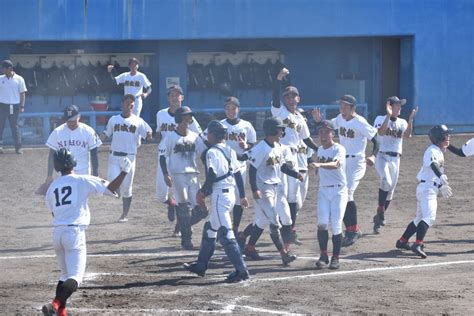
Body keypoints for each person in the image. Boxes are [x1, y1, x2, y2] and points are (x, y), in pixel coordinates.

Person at [42, 148, 131, 316]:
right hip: (74, 234)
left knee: (64, 275)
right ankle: (54, 304)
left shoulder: (52, 187)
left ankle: (61, 312)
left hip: (57, 234)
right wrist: (125, 172)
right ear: (72, 162)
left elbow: (53, 212)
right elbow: (111, 188)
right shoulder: (82, 180)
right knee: (75, 278)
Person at [183, 120, 250, 283]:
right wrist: (242, 195)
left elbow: (212, 174)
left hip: (220, 195)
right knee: (210, 228)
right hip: (230, 194)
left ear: (212, 135)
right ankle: (201, 265)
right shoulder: (230, 150)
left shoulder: (211, 152)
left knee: (225, 234)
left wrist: (203, 192)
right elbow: (237, 175)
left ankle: (242, 270)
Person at [313, 95, 378, 247]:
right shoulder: (339, 119)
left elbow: (377, 139)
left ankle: (353, 230)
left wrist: (373, 156)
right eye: (341, 105)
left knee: (347, 192)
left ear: (352, 107)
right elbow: (328, 126)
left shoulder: (360, 122)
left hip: (356, 162)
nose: (342, 108)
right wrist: (318, 121)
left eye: (345, 105)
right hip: (341, 160)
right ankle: (351, 229)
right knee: (342, 193)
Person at [243, 117, 304, 265]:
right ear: (272, 130)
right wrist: (255, 189)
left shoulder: (277, 146)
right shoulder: (260, 148)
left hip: (277, 188)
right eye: (280, 129)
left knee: (283, 220)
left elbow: (282, 167)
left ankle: (250, 247)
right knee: (274, 222)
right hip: (264, 190)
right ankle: (284, 254)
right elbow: (252, 170)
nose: (282, 131)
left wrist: (295, 174)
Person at [271, 67, 319, 245]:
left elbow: (306, 140)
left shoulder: (299, 117)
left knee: (298, 200)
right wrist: (278, 78)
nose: (291, 99)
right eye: (288, 97)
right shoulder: (279, 112)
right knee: (289, 197)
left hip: (301, 160)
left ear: (298, 99)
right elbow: (275, 96)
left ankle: (287, 228)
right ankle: (289, 232)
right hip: (286, 159)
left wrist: (320, 151)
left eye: (293, 96)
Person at [396, 125, 453, 259]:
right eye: (446, 135)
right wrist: (440, 177)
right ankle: (418, 244)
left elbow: (431, 172)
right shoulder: (432, 150)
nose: (449, 137)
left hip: (427, 187)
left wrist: (440, 186)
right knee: (429, 217)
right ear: (439, 137)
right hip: (427, 189)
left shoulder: (438, 151)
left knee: (419, 219)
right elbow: (433, 165)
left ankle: (403, 241)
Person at [155, 85, 202, 235]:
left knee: (186, 197)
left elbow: (199, 135)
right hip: (165, 156)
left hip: (182, 159)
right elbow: (159, 133)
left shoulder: (189, 116)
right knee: (161, 195)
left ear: (182, 97)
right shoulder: (161, 114)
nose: (175, 98)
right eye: (172, 95)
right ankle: (171, 203)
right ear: (168, 97)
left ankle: (182, 225)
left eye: (177, 95)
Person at [159, 106, 207, 250]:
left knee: (201, 210)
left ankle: (182, 225)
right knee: (184, 207)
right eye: (186, 116)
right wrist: (165, 174)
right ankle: (187, 240)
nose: (189, 119)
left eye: (190, 117)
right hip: (177, 174)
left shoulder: (194, 136)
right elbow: (162, 157)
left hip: (193, 174)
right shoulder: (170, 137)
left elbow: (204, 154)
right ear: (179, 119)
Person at [207, 96, 256, 236]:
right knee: (224, 198)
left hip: (240, 165)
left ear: (238, 109)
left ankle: (234, 228)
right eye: (228, 108)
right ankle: (222, 226)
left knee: (238, 198)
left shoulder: (247, 125)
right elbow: (207, 139)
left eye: (233, 108)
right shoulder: (219, 125)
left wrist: (246, 145)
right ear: (224, 110)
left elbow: (252, 143)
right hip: (222, 166)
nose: (231, 111)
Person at [101, 94, 152, 222]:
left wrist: (150, 135)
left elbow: (148, 133)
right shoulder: (114, 119)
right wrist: (99, 138)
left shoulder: (138, 121)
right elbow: (106, 133)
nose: (130, 105)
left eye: (132, 104)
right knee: (111, 181)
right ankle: (117, 192)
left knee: (127, 188)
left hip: (129, 157)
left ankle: (124, 214)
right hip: (114, 156)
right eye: (127, 102)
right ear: (122, 104)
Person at [372, 97, 417, 234]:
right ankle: (381, 211)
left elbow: (408, 135)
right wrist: (388, 115)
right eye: (397, 105)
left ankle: (378, 218)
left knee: (390, 190)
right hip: (381, 156)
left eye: (400, 106)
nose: (400, 108)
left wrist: (410, 119)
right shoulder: (379, 119)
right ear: (389, 106)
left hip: (396, 158)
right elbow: (381, 132)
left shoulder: (402, 122)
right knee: (386, 180)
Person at [35, 105, 102, 195]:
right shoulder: (57, 132)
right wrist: (49, 175)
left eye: (73, 120)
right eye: (69, 120)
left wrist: (96, 174)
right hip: (64, 172)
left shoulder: (88, 131)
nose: (71, 123)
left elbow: (94, 154)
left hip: (83, 172)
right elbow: (51, 155)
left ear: (79, 116)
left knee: (81, 198)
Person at [312, 120, 347, 270]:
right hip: (324, 191)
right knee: (322, 224)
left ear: (333, 133)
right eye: (321, 132)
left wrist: (319, 165)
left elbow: (335, 165)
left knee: (336, 224)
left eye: (327, 132)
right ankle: (323, 255)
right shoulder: (320, 150)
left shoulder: (339, 149)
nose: (323, 135)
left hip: (339, 191)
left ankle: (336, 258)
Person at [0, 59, 27, 154]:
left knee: (14, 127)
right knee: (0, 126)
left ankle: (18, 148)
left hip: (14, 106)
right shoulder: (0, 78)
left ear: (10, 68)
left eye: (3, 68)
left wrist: (22, 106)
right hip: (2, 106)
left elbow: (22, 94)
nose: (2, 70)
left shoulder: (19, 79)